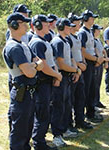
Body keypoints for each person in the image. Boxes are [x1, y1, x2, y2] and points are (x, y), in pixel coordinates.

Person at [2, 12, 44, 150]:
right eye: (23, 23)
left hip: (29, 92)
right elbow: (31, 73)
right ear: (14, 25)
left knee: (27, 128)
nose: (26, 26)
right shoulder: (14, 47)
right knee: (20, 131)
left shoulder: (23, 45)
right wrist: (34, 66)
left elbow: (40, 62)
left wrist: (34, 65)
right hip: (22, 93)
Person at [28, 14, 62, 150]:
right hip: (41, 83)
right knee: (42, 114)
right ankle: (39, 144)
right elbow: (44, 67)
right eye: (45, 23)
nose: (49, 25)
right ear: (38, 25)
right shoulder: (37, 43)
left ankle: (40, 141)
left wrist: (55, 75)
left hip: (47, 82)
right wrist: (57, 75)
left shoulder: (44, 40)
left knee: (45, 113)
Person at [50, 18, 81, 147]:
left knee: (67, 104)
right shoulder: (57, 42)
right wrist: (76, 69)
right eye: (68, 27)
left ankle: (64, 129)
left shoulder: (66, 40)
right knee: (58, 106)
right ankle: (57, 135)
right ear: (62, 27)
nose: (71, 28)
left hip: (68, 76)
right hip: (61, 76)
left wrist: (75, 70)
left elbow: (71, 58)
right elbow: (61, 64)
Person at [66, 13, 93, 130]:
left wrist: (83, 62)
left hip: (79, 70)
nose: (79, 23)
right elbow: (69, 56)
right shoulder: (67, 38)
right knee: (70, 99)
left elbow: (80, 51)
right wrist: (77, 67)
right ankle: (68, 123)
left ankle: (80, 120)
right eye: (77, 21)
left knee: (80, 97)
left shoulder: (77, 36)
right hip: (73, 70)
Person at [78, 10, 104, 123]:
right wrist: (95, 59)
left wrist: (98, 59)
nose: (93, 19)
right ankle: (86, 114)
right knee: (86, 90)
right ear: (86, 19)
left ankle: (91, 111)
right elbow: (82, 51)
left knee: (92, 89)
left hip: (92, 63)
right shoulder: (82, 32)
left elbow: (93, 48)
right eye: (91, 18)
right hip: (87, 64)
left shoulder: (89, 31)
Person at [91, 24, 109, 108]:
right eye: (98, 30)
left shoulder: (98, 40)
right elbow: (97, 53)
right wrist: (104, 60)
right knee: (94, 84)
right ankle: (93, 102)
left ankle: (97, 100)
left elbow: (103, 51)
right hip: (96, 64)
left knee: (98, 83)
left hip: (100, 63)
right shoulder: (92, 40)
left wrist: (105, 60)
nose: (99, 32)